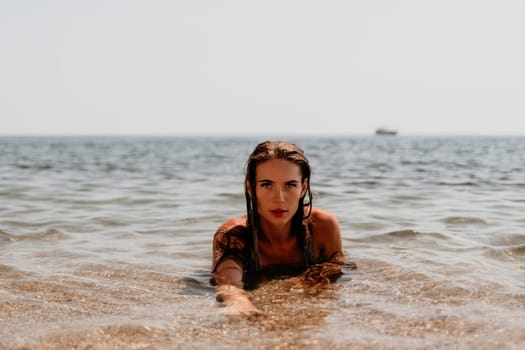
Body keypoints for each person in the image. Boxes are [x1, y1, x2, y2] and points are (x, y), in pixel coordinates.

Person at [211, 140, 355, 316]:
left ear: (303, 187)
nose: (279, 198)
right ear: (250, 188)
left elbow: (336, 266)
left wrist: (305, 283)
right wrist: (239, 303)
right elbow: (228, 283)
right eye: (266, 184)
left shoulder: (323, 226)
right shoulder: (233, 235)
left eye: (290, 185)